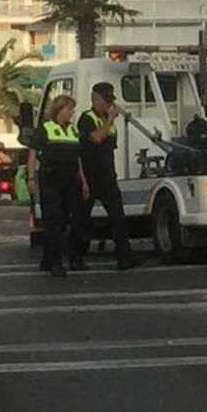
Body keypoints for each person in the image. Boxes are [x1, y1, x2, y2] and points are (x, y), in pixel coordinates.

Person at [70, 82, 144, 272]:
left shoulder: (109, 123)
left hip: (107, 177)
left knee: (118, 217)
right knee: (81, 218)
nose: (110, 105)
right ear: (95, 100)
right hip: (89, 177)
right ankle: (75, 257)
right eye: (106, 101)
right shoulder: (87, 119)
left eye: (111, 101)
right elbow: (95, 138)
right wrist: (110, 120)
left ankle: (124, 256)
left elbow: (109, 149)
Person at [27, 94, 88, 278]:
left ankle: (49, 259)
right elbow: (32, 154)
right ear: (59, 109)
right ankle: (55, 263)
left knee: (68, 220)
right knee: (54, 221)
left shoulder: (72, 130)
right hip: (51, 179)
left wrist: (83, 181)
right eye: (69, 109)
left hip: (70, 180)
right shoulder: (45, 128)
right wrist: (30, 179)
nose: (71, 113)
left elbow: (78, 158)